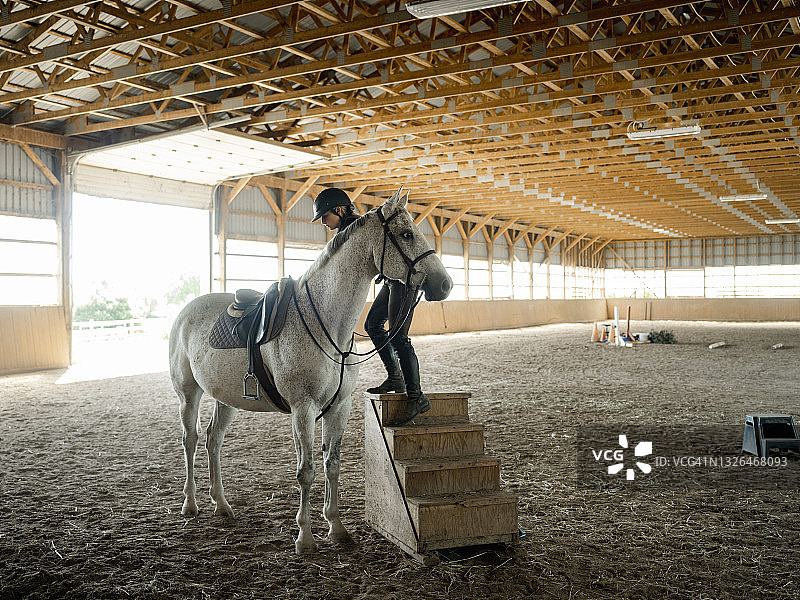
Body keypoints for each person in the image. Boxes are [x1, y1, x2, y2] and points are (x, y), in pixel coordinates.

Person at [312, 188, 431, 425]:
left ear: (338, 209)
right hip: (391, 281)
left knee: (399, 337)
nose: (324, 222)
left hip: (404, 280)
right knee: (372, 324)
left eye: (325, 216)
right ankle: (395, 377)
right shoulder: (347, 231)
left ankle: (416, 396)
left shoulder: (360, 226)